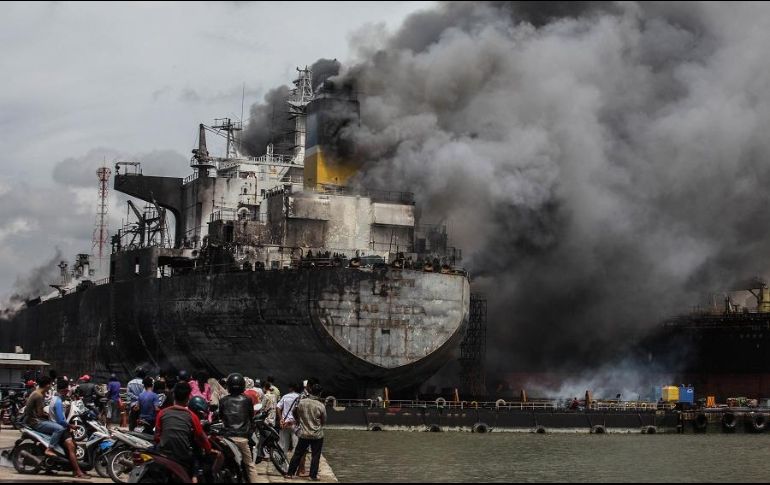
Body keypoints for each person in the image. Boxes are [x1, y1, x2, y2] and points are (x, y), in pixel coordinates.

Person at [24, 376, 90, 479]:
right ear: (65, 390)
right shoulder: (53, 400)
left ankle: (72, 469)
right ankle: (77, 472)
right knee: (71, 448)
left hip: (40, 421)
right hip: (45, 424)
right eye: (49, 384)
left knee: (74, 445)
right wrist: (70, 425)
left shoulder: (53, 398)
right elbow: (59, 421)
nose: (50, 386)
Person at [154, 382, 214, 477]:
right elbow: (200, 437)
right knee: (196, 470)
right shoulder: (192, 416)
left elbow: (157, 436)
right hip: (183, 456)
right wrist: (208, 450)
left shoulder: (162, 413)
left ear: (174, 395)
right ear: (188, 398)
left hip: (163, 454)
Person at [218, 373, 259, 483]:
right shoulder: (247, 400)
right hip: (242, 437)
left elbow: (220, 416)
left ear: (229, 386)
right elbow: (251, 417)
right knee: (250, 465)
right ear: (242, 385)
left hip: (227, 438)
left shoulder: (223, 400)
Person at [285, 383, 326, 481]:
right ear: (320, 393)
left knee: (298, 454)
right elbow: (323, 420)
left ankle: (290, 473)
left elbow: (294, 412)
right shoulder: (321, 405)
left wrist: (298, 420)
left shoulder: (302, 402)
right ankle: (313, 476)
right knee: (315, 455)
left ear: (310, 391)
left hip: (303, 433)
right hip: (317, 435)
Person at [276, 383, 301, 453]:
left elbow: (278, 407)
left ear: (291, 388)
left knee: (283, 445)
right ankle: (295, 463)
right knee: (296, 445)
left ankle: (283, 462)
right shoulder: (300, 397)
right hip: (295, 424)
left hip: (285, 423)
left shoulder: (285, 396)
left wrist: (281, 419)